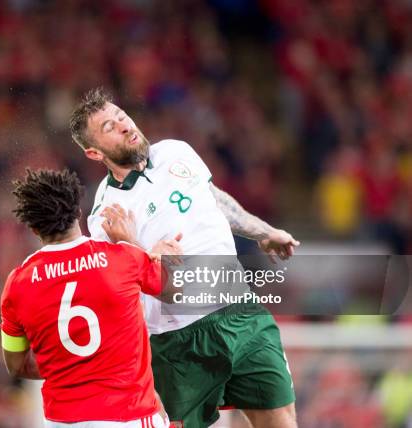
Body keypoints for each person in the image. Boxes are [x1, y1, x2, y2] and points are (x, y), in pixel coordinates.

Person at [69, 88, 300, 428]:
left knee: (280, 419)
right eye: (108, 127)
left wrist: (263, 231)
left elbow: (212, 200)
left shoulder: (176, 151)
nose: (123, 125)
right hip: (178, 341)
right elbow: (131, 292)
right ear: (93, 152)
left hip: (241, 313)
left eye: (120, 116)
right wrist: (134, 246)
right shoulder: (106, 216)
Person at [0, 168, 180, 427]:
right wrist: (136, 244)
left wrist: (70, 365)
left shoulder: (17, 285)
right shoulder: (122, 258)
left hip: (61, 421)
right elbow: (176, 291)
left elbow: (16, 365)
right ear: (78, 211)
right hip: (128, 415)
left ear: (33, 229)